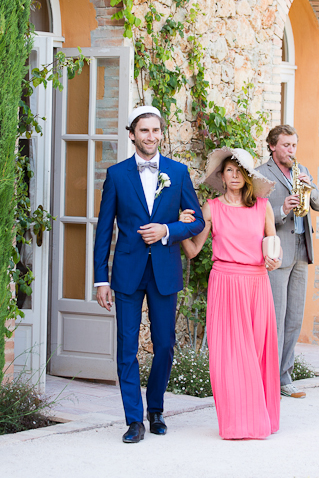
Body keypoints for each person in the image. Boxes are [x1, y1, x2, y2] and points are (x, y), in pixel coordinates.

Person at [93, 106, 205, 444]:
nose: (151, 136)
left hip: (164, 271)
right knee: (127, 347)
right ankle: (133, 420)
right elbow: (103, 231)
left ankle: (155, 408)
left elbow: (197, 221)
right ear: (132, 134)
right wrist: (101, 278)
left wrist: (167, 230)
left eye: (156, 131)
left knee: (165, 345)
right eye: (144, 131)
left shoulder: (178, 172)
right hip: (126, 272)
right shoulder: (116, 175)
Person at [180, 148, 282, 440]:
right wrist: (181, 228)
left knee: (259, 351)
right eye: (229, 170)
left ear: (248, 176)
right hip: (225, 283)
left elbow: (273, 245)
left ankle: (263, 417)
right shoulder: (212, 208)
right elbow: (193, 251)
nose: (234, 175)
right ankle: (239, 423)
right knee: (230, 356)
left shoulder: (263, 207)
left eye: (239, 170)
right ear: (221, 176)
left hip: (257, 284)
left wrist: (275, 258)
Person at [256, 125, 319, 399]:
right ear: (273, 146)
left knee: (294, 319)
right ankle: (269, 380)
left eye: (294, 145)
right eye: (286, 145)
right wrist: (282, 209)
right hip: (278, 253)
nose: (291, 151)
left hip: (301, 251)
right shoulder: (262, 175)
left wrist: (311, 187)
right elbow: (255, 216)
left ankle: (284, 376)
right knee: (276, 319)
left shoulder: (301, 171)